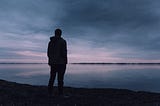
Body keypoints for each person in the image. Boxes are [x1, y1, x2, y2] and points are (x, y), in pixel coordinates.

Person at [47, 28, 67, 96]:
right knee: (60, 79)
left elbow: (48, 53)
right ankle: (60, 93)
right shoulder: (63, 41)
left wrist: (51, 60)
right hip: (61, 63)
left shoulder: (50, 42)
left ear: (55, 33)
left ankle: (49, 92)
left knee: (52, 78)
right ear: (61, 33)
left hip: (53, 63)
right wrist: (65, 61)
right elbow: (64, 53)